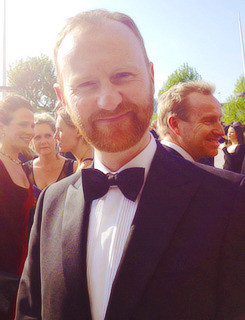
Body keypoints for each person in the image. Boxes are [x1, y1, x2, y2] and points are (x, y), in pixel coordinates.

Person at [16, 10, 245, 320]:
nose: (108, 100)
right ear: (63, 98)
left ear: (151, 77)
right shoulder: (50, 204)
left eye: (122, 75)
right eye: (85, 84)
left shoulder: (229, 200)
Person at [0, 95, 35, 320]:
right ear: (2, 126)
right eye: (23, 124)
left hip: (19, 269)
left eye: (31, 125)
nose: (30, 131)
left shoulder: (20, 164)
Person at [157, 80, 224, 164]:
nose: (221, 132)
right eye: (209, 121)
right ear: (175, 125)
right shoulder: (162, 171)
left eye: (219, 120)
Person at [24, 112, 78, 201]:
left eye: (48, 135)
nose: (43, 141)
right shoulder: (24, 170)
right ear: (31, 142)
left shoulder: (74, 167)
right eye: (37, 137)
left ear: (56, 136)